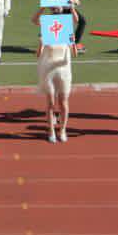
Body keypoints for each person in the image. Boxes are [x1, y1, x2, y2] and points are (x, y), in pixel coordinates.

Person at [35, 7, 78, 143]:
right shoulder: (46, 30)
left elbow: (75, 54)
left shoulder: (66, 30)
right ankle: (51, 130)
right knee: (51, 102)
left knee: (63, 102)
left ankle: (63, 130)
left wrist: (73, 43)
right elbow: (38, 54)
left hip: (64, 70)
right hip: (49, 70)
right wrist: (41, 44)